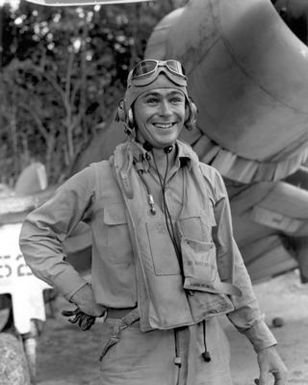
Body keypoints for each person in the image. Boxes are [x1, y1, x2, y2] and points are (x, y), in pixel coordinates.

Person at [19, 59, 288, 385]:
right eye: (151, 100)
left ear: (188, 111)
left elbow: (230, 266)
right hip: (133, 362)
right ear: (130, 113)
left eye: (175, 99)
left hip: (209, 361)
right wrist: (78, 291)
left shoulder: (209, 181)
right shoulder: (98, 180)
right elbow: (36, 232)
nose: (165, 111)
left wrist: (263, 342)